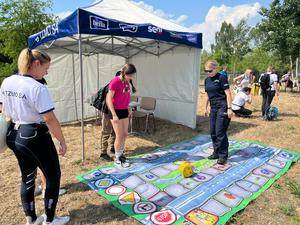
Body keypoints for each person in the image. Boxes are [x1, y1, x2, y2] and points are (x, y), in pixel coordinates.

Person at [0, 48, 70, 225]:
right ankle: (50, 220)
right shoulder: (37, 87)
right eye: (46, 67)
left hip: (14, 135)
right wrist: (61, 140)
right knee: (53, 175)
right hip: (34, 135)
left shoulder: (7, 81)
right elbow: (50, 118)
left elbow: (3, 109)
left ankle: (31, 219)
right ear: (36, 64)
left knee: (27, 177)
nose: (47, 72)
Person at [99, 70, 136, 161]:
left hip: (118, 112)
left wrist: (126, 109)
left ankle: (113, 149)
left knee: (116, 133)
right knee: (106, 131)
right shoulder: (113, 85)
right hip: (108, 111)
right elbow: (108, 100)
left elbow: (124, 99)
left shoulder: (124, 84)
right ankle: (103, 153)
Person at [204, 60, 233, 165]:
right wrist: (205, 108)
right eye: (206, 70)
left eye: (210, 70)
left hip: (222, 106)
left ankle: (223, 155)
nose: (208, 73)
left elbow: (228, 93)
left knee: (220, 131)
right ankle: (216, 152)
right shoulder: (207, 80)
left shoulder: (221, 77)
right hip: (213, 107)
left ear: (215, 69)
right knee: (213, 131)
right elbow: (207, 95)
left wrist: (229, 108)